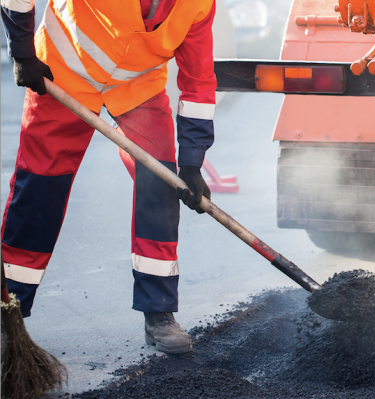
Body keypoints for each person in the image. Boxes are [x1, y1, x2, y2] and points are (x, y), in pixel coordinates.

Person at [1, 0, 217, 354]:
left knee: (160, 185)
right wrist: (22, 51)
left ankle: (158, 311)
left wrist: (191, 163)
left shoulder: (199, 5)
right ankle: (7, 311)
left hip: (137, 87)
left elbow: (198, 81)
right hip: (63, 73)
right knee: (40, 191)